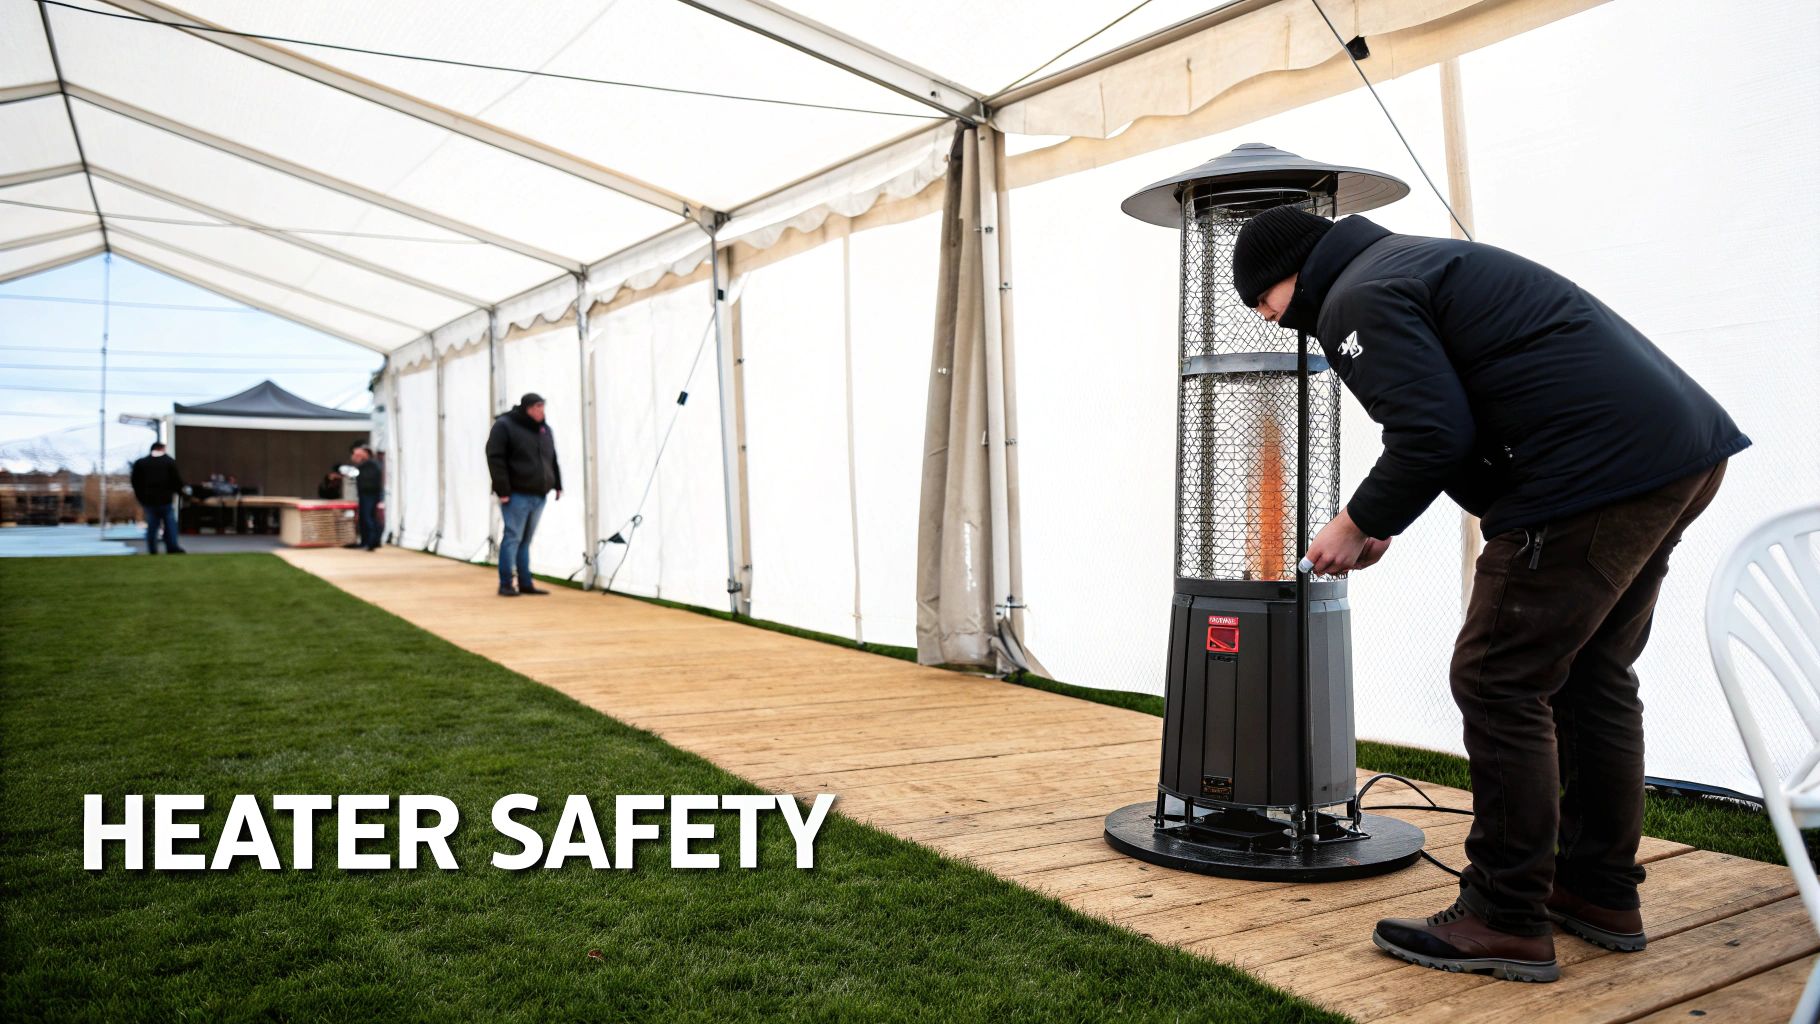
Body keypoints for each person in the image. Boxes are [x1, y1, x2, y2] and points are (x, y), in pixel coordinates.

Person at [1231, 206, 1748, 983]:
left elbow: (1432, 431)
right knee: (1593, 675)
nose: (1270, 321)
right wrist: (1386, 518)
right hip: (1673, 453)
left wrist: (1355, 520)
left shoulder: (1352, 298)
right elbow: (1459, 417)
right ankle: (1597, 890)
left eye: (1261, 302)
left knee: (1497, 678)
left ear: (1288, 274)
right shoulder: (1409, 262)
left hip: (1587, 475)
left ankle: (1503, 915)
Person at [485, 393, 562, 597]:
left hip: (539, 494)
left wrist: (557, 484)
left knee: (525, 540)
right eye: (537, 407)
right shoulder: (505, 425)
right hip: (516, 494)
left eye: (543, 407)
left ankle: (525, 582)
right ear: (527, 408)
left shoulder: (544, 430)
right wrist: (502, 489)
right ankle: (506, 583)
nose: (541, 411)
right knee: (512, 537)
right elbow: (495, 457)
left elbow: (551, 459)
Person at [129, 441, 187, 555]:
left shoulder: (141, 463)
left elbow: (135, 482)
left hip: (149, 501)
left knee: (152, 526)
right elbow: (176, 481)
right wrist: (181, 493)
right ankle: (172, 547)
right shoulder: (168, 462)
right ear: (162, 449)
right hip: (165, 500)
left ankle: (152, 549)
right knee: (170, 525)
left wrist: (141, 498)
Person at [349, 446, 383, 551]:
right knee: (364, 518)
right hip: (365, 495)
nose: (355, 457)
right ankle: (365, 542)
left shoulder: (371, 465)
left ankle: (371, 542)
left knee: (368, 518)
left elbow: (370, 482)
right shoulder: (364, 466)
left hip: (369, 495)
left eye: (358, 455)